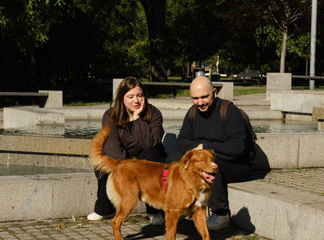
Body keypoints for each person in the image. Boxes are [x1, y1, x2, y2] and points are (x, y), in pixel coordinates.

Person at [175, 76, 252, 230]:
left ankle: (221, 214)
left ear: (214, 93)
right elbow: (182, 140)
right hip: (205, 157)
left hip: (237, 164)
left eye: (204, 97)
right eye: (195, 98)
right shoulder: (192, 113)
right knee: (175, 159)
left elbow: (237, 147)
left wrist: (206, 149)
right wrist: (196, 151)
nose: (200, 102)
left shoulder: (229, 110)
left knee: (210, 165)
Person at [87, 76, 166, 225]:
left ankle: (154, 210)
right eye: (130, 97)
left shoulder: (154, 114)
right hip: (121, 158)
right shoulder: (110, 116)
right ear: (121, 98)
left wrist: (138, 120)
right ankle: (105, 209)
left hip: (147, 157)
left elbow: (150, 143)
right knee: (103, 163)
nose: (136, 101)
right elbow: (113, 148)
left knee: (151, 156)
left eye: (140, 95)